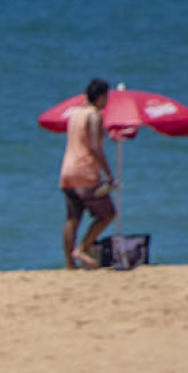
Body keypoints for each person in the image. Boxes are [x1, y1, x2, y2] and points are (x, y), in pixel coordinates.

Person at [60, 77, 118, 270]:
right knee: (108, 214)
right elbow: (95, 148)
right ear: (101, 97)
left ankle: (70, 264)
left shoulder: (75, 114)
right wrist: (109, 174)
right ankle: (82, 248)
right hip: (85, 173)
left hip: (67, 172)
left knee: (72, 218)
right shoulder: (94, 116)